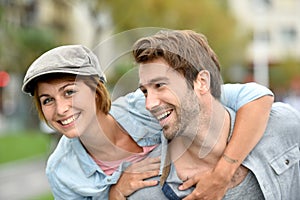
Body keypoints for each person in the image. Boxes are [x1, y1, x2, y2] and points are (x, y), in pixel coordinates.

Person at [21, 44, 274, 199]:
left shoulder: (148, 103)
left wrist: (222, 173)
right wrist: (116, 193)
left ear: (96, 90)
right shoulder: (61, 170)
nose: (61, 109)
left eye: (69, 92)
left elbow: (257, 97)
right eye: (47, 100)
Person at [126, 29, 300, 200]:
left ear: (201, 82)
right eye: (145, 91)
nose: (149, 104)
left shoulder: (284, 128)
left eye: (160, 85)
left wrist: (225, 171)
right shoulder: (144, 189)